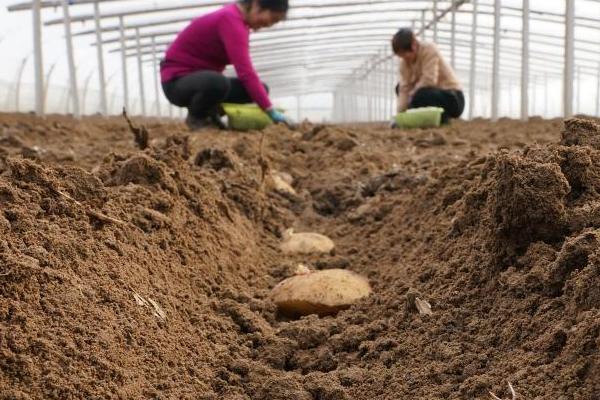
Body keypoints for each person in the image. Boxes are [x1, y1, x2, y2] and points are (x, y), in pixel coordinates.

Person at [160, 0, 291, 130]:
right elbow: (245, 71)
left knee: (260, 89)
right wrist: (270, 111)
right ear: (257, 4)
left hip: (201, 81)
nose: (269, 24)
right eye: (272, 18)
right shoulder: (230, 20)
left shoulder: (238, 22)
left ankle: (211, 114)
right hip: (176, 82)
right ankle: (197, 118)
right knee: (218, 83)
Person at [392, 28, 464, 125]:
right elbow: (404, 88)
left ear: (414, 45)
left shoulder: (429, 49)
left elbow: (429, 80)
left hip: (453, 97)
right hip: (428, 95)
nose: (404, 59)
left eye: (405, 55)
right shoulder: (404, 64)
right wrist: (400, 115)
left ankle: (444, 117)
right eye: (401, 56)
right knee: (399, 88)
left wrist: (412, 94)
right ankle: (429, 119)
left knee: (421, 94)